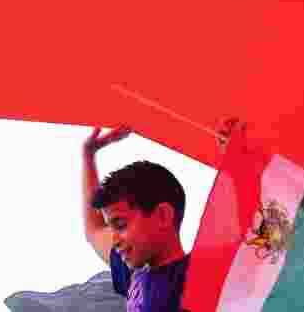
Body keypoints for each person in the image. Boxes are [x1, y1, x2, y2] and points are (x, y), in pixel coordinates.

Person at [81, 117, 247, 312]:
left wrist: (238, 162)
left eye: (121, 224)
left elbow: (249, 236)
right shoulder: (135, 276)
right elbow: (94, 230)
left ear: (162, 216)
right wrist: (88, 156)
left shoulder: (197, 277)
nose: (114, 238)